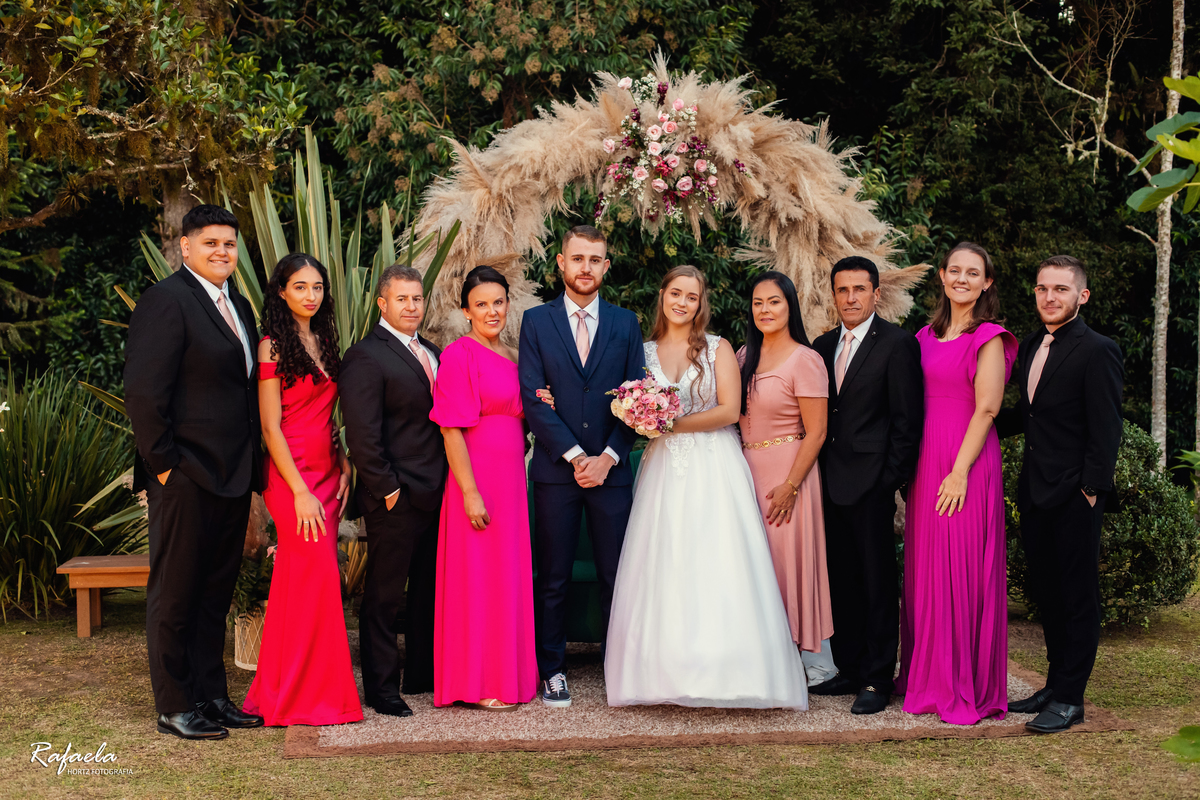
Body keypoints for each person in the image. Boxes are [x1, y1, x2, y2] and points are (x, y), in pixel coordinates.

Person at [603, 265, 808, 709]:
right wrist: (641, 417)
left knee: (718, 558)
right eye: (675, 293)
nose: (682, 302)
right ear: (662, 295)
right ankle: (663, 673)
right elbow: (627, 404)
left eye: (691, 297)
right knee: (666, 560)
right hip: (663, 469)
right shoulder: (642, 351)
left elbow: (730, 410)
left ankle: (729, 671)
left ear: (701, 304)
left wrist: (669, 422)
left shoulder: (718, 348)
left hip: (715, 464)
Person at [124, 204, 265, 739]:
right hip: (184, 475)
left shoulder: (240, 305)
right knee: (175, 593)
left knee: (214, 594)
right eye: (210, 242)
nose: (222, 252)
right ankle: (175, 704)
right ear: (185, 247)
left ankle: (212, 696)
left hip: (233, 475)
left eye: (229, 243)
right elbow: (143, 392)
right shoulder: (166, 300)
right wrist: (164, 468)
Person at [518, 225, 646, 708]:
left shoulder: (626, 324)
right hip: (557, 473)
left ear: (606, 266)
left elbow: (637, 399)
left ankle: (620, 667)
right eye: (577, 258)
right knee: (553, 577)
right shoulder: (536, 322)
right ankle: (552, 669)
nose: (585, 267)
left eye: (595, 259)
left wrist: (608, 458)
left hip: (612, 473)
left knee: (618, 575)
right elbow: (533, 399)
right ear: (561, 262)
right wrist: (576, 457)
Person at [997, 255, 1123, 734]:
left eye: (1061, 289)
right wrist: (974, 423)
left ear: (1081, 296)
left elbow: (1106, 428)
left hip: (1075, 496)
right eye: (1042, 288)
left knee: (1077, 598)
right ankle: (1053, 685)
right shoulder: (1031, 344)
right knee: (1048, 595)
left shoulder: (1099, 350)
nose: (1050, 297)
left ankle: (1071, 699)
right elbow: (1028, 416)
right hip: (1035, 493)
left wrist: (1091, 489)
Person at [896, 242, 1017, 725]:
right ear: (943, 277)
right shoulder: (922, 337)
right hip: (927, 462)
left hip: (965, 462)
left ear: (987, 283)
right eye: (955, 271)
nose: (962, 279)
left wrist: (960, 471)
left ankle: (961, 684)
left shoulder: (989, 337)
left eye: (973, 273)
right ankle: (927, 678)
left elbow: (987, 408)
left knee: (960, 568)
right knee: (926, 570)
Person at [242, 254, 362, 727]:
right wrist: (299, 492)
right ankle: (301, 696)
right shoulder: (271, 346)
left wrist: (344, 461)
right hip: (291, 476)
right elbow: (270, 427)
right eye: (300, 287)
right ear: (281, 292)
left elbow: (328, 416)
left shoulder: (326, 340)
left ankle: (290, 689)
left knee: (307, 581)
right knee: (312, 576)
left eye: (317, 287)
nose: (310, 295)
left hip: (328, 472)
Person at [810, 256, 924, 715]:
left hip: (872, 486)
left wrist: (889, 481)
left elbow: (907, 421)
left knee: (877, 584)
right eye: (843, 289)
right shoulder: (821, 346)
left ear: (876, 294)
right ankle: (851, 668)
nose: (851, 297)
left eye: (859, 289)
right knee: (841, 579)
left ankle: (877, 678)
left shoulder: (897, 344)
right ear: (833, 295)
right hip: (827, 482)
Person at [340, 264, 447, 718]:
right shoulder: (365, 356)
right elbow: (362, 435)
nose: (411, 306)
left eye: (417, 298)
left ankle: (421, 674)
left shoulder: (433, 351)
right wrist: (388, 491)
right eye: (401, 299)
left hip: (437, 493)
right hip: (395, 496)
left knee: (427, 591)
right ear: (382, 304)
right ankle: (381, 689)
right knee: (384, 597)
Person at [430, 266, 538, 710]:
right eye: (481, 305)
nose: (492, 311)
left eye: (498, 302)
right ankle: (478, 682)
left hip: (511, 480)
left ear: (508, 304)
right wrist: (469, 492)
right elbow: (450, 430)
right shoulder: (459, 355)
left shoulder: (515, 356)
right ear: (465, 311)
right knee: (477, 577)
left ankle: (509, 674)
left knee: (506, 575)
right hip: (476, 479)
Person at [737, 271, 837, 687]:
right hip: (746, 473)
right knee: (754, 565)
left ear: (790, 306)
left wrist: (792, 486)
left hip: (789, 474)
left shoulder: (805, 359)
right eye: (758, 302)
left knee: (787, 565)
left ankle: (808, 659)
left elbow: (817, 431)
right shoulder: (744, 355)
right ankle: (762, 656)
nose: (765, 310)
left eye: (774, 301)